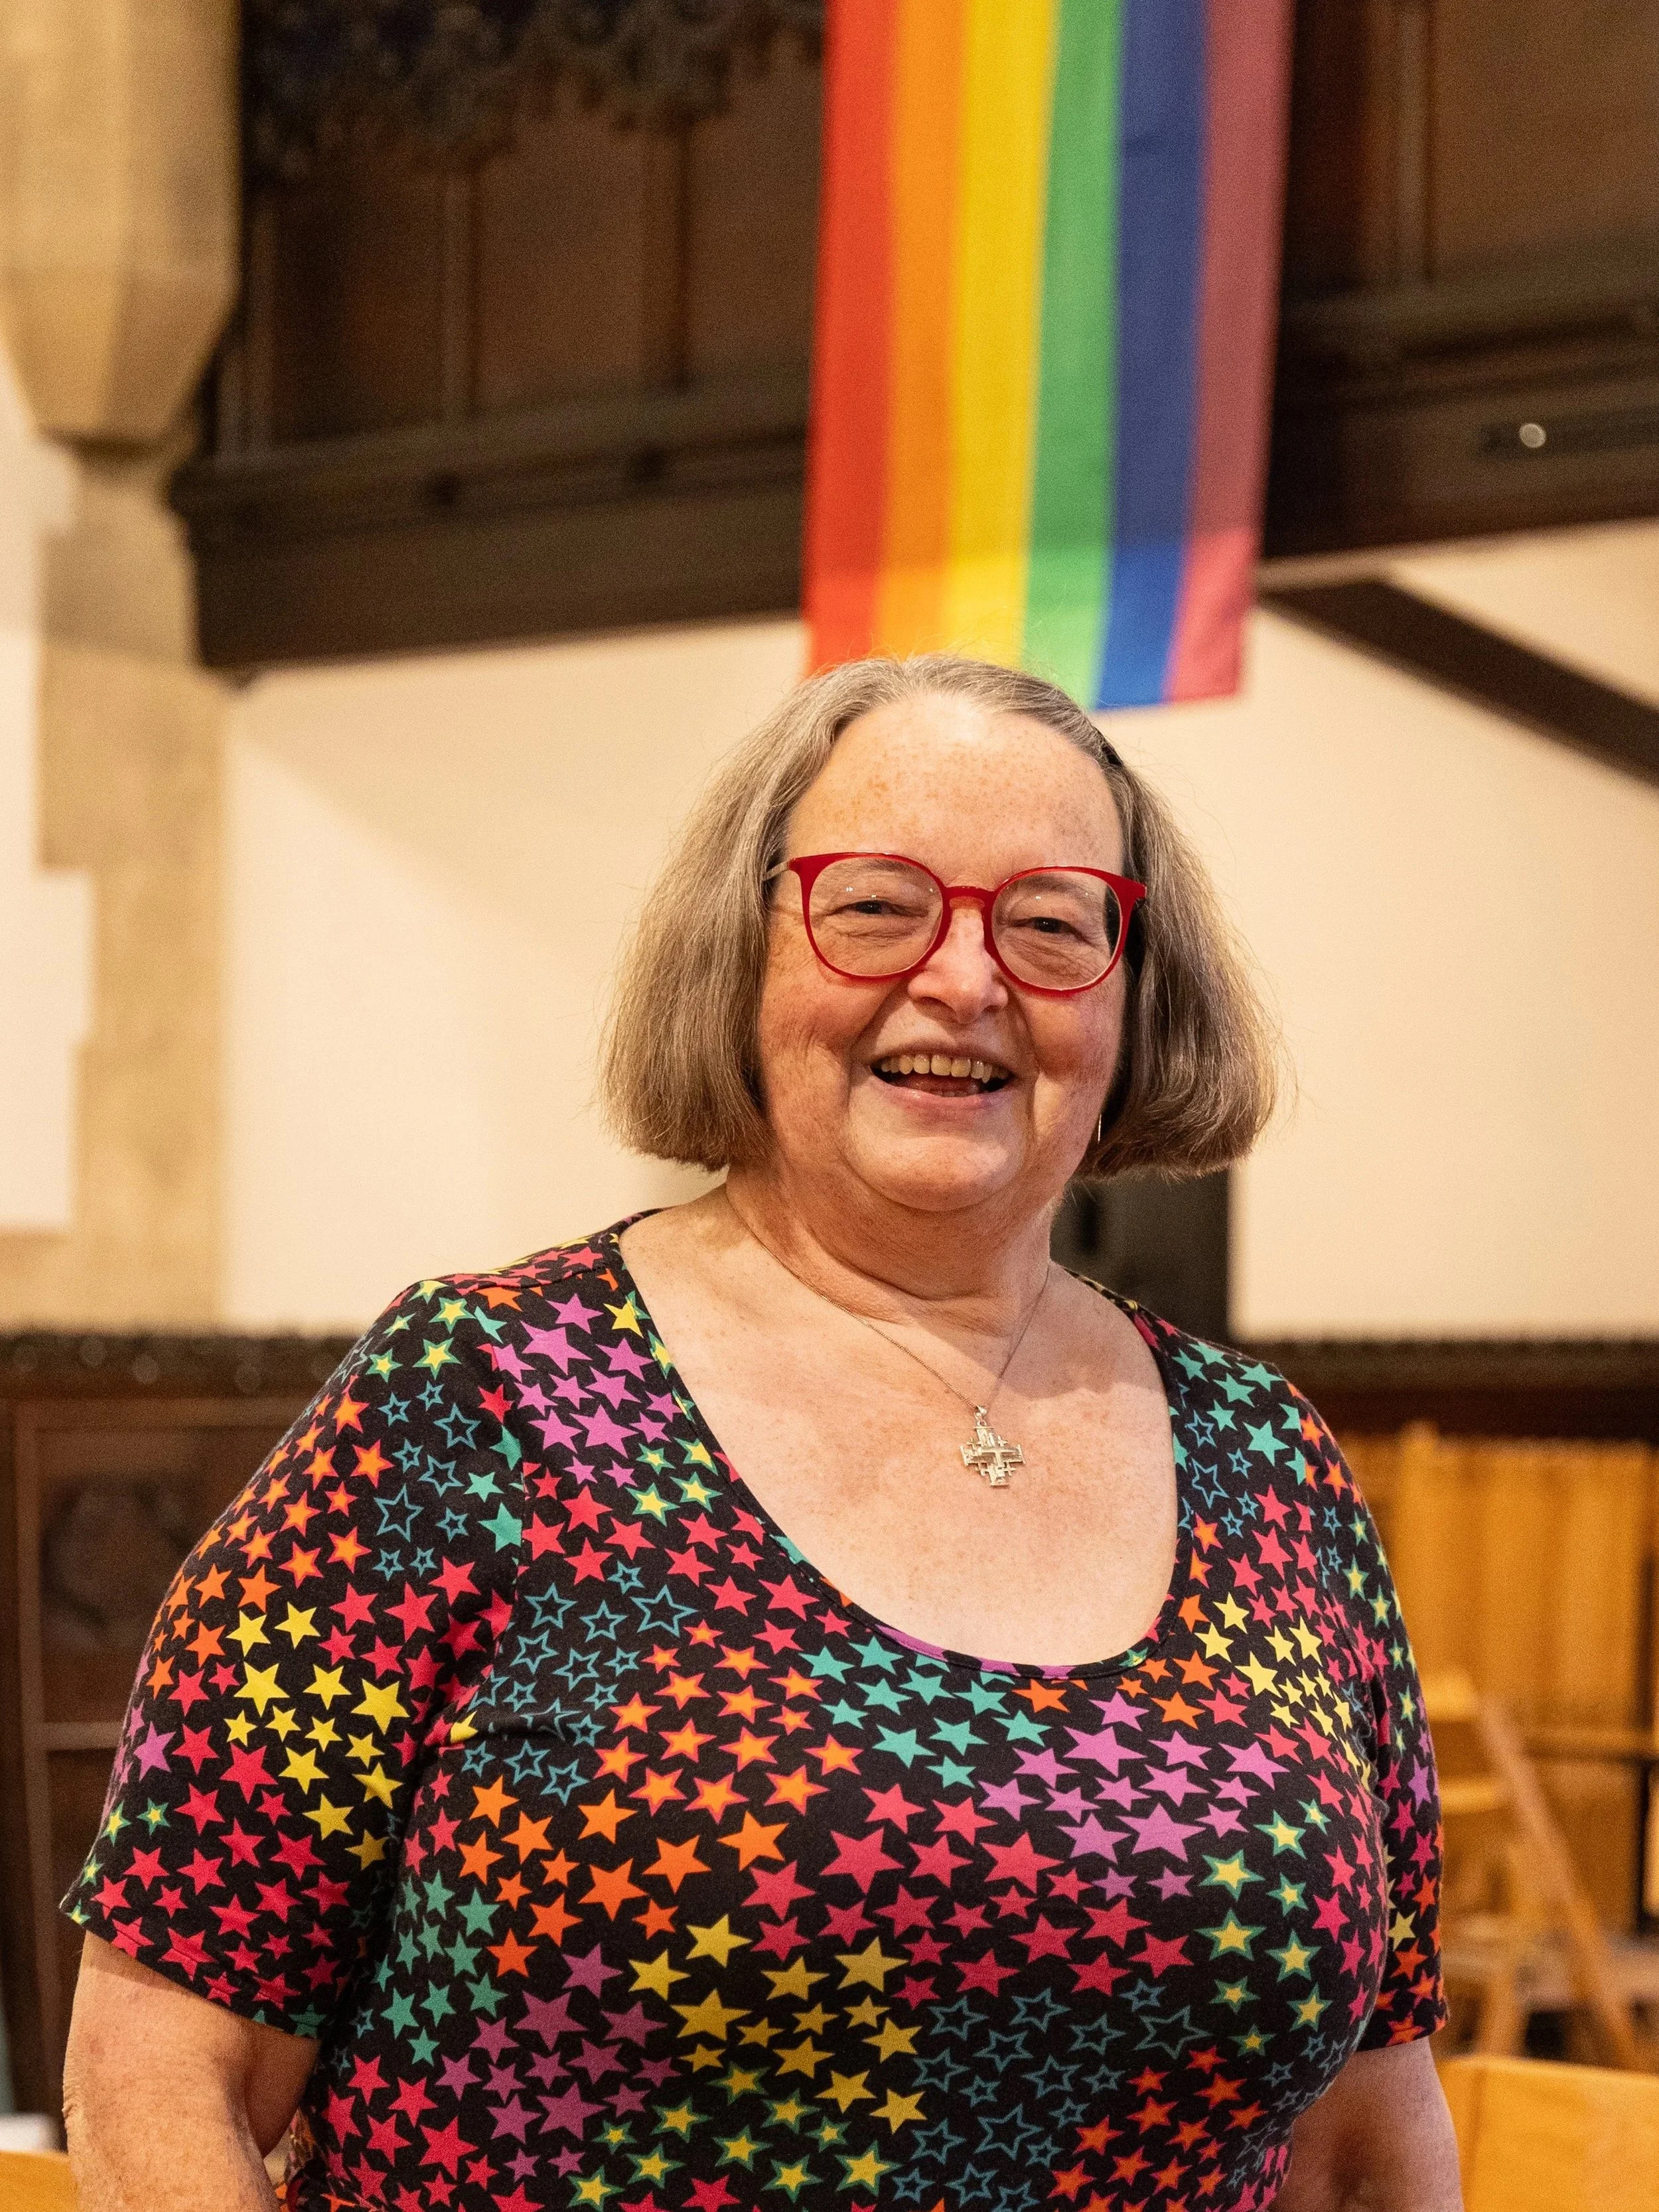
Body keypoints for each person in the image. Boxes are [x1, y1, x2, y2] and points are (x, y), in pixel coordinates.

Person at [61, 654, 1459, 2212]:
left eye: (1051, 923)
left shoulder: (1265, 1462)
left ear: (1136, 1000)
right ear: (743, 953)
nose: (962, 977)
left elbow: (1361, 2130)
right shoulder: (472, 1402)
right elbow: (160, 2069)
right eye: (873, 905)